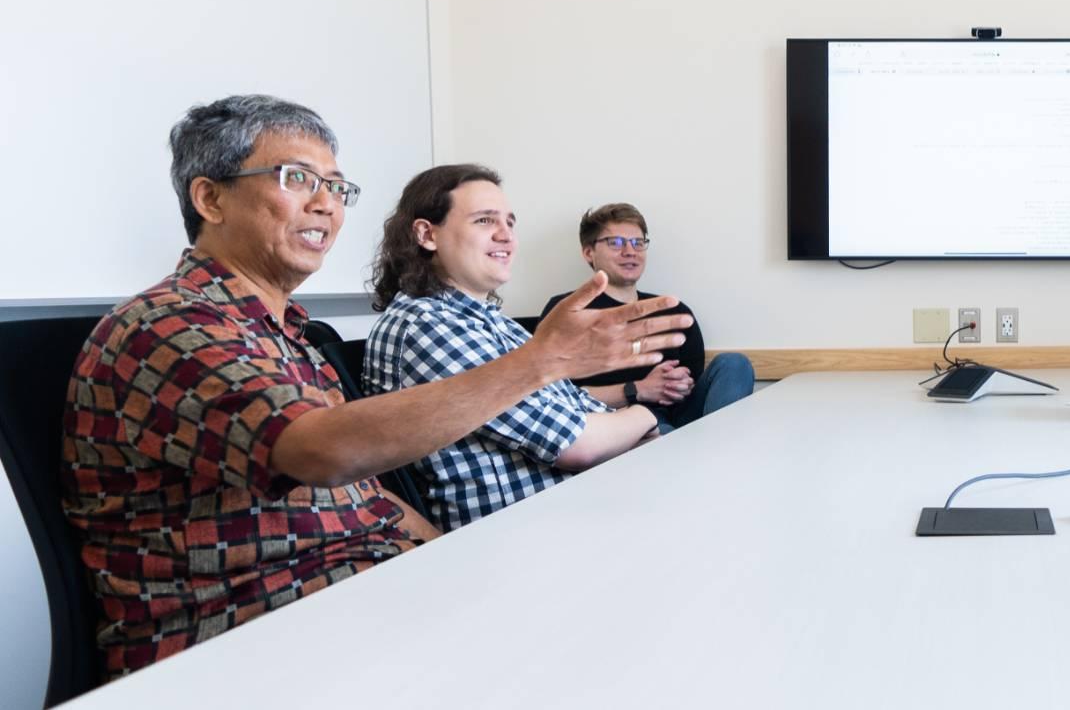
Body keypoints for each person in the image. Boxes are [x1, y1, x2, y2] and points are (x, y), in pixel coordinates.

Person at [62, 96, 688, 675]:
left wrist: (461, 568)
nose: (326, 204)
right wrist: (541, 361)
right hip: (248, 642)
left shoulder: (290, 332)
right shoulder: (171, 323)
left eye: (336, 187)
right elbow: (321, 452)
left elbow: (369, 499)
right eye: (297, 179)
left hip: (365, 601)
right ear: (211, 198)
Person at [365, 168, 674, 530]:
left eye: (510, 223)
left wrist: (631, 427)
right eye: (485, 220)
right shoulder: (427, 324)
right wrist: (645, 417)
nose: (505, 236)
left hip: (581, 506)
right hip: (525, 536)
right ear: (427, 234)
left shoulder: (495, 322)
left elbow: (577, 405)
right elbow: (576, 443)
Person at [537, 202, 755, 429]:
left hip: (683, 420)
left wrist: (679, 384)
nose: (630, 251)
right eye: (616, 243)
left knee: (734, 363)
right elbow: (550, 397)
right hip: (614, 424)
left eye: (638, 243)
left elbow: (693, 382)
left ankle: (721, 456)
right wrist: (637, 390)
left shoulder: (674, 310)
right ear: (588, 252)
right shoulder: (567, 311)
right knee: (660, 431)